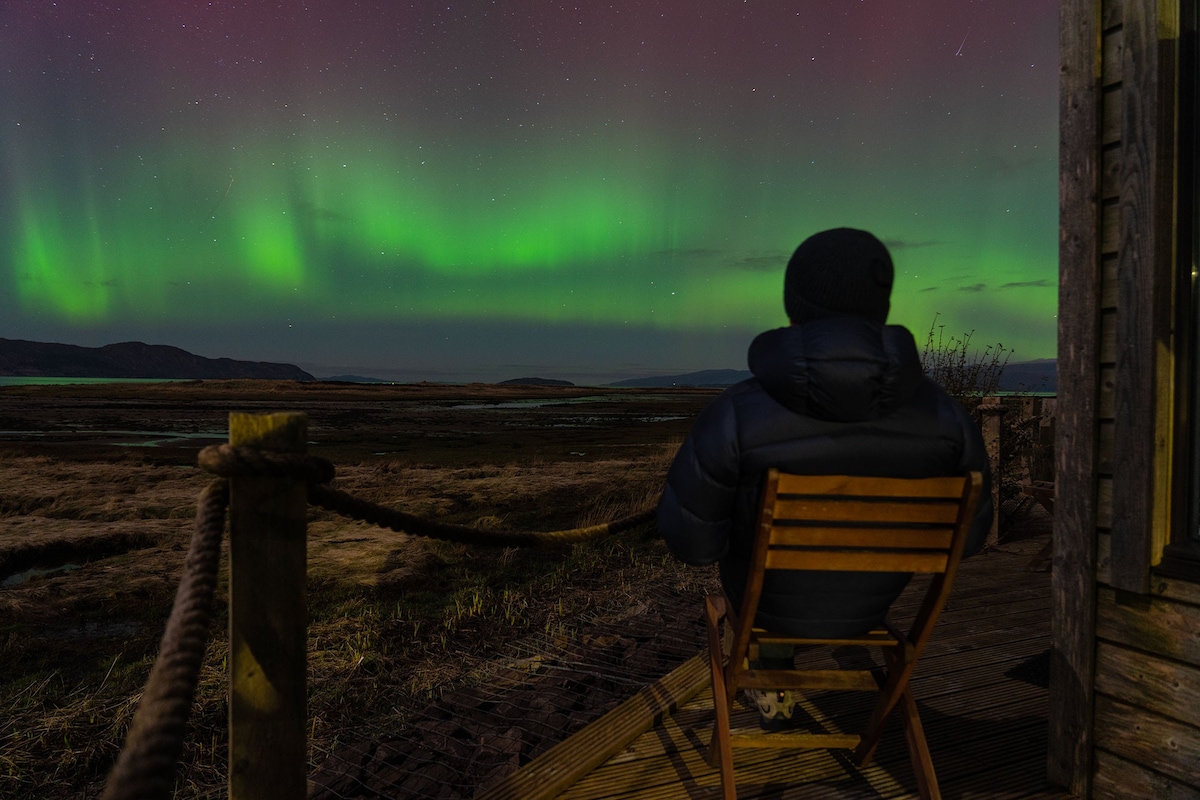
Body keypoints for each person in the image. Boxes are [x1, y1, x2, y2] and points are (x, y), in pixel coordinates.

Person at [656, 227, 994, 729]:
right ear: (881, 309)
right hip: (870, 607)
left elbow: (693, 544)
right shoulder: (946, 416)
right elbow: (968, 541)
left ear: (793, 308)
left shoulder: (735, 413)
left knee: (753, 575)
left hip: (765, 609)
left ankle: (769, 679)